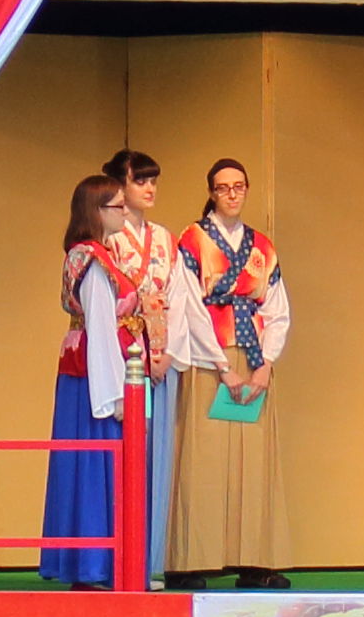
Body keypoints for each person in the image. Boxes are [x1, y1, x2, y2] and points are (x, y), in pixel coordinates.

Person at [168, 157, 291, 587]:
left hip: (253, 359)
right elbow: (188, 304)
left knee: (253, 462)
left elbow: (277, 308)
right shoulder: (193, 239)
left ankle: (254, 559)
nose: (232, 194)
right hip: (208, 358)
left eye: (239, 186)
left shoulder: (262, 247)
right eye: (223, 188)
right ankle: (192, 560)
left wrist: (266, 364)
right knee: (203, 459)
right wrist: (221, 366)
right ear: (211, 193)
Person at [96, 145, 188, 575]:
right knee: (128, 451)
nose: (149, 189)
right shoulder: (109, 239)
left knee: (158, 454)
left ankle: (151, 559)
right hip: (125, 351)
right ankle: (121, 557)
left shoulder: (166, 239)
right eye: (140, 181)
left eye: (153, 181)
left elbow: (180, 297)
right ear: (120, 185)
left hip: (162, 351)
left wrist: (170, 350)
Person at [41, 176, 134, 589]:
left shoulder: (92, 255)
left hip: (87, 371)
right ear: (97, 211)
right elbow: (101, 329)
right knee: (95, 465)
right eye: (117, 206)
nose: (124, 212)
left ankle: (93, 563)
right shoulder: (94, 261)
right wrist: (115, 395)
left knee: (88, 465)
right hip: (95, 376)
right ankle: (93, 564)